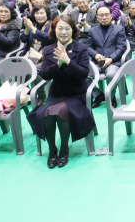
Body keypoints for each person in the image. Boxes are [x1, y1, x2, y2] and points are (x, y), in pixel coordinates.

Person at [27, 15, 96, 169]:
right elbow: (44, 74)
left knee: (61, 111)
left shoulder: (81, 48)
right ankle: (53, 149)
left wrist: (69, 62)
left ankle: (64, 148)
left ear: (73, 30)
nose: (63, 32)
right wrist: (58, 64)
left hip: (76, 93)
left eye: (67, 28)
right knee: (46, 112)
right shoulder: (48, 49)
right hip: (56, 93)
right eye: (60, 28)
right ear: (54, 30)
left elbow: (84, 74)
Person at [86, 6, 127, 105]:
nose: (104, 17)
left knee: (111, 75)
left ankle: (111, 97)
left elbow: (121, 47)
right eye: (101, 15)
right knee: (82, 75)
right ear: (97, 17)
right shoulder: (92, 30)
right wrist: (95, 55)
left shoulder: (119, 29)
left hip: (113, 62)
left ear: (111, 16)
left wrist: (111, 59)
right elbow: (88, 47)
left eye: (106, 15)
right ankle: (99, 95)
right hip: (97, 62)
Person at [21, 4, 55, 69]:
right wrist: (27, 29)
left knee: (29, 69)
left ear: (47, 14)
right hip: (30, 53)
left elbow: (49, 38)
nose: (39, 16)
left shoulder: (52, 25)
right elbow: (23, 39)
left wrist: (33, 28)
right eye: (37, 13)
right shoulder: (34, 24)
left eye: (42, 13)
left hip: (44, 56)